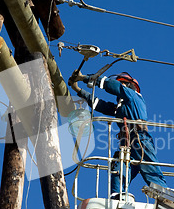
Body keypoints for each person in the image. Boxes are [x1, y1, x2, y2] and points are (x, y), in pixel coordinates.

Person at [68, 70, 168, 198]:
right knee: (119, 168)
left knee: (150, 168)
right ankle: (117, 196)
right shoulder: (123, 108)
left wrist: (85, 78)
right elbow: (101, 105)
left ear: (129, 86)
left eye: (122, 84)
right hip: (127, 144)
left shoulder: (133, 95)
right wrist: (78, 90)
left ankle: (166, 195)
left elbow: (113, 86)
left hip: (140, 139)